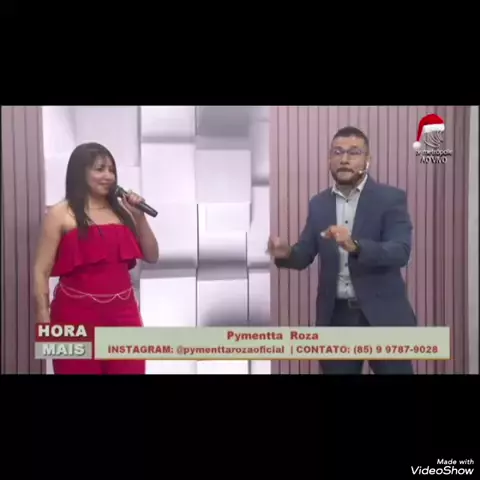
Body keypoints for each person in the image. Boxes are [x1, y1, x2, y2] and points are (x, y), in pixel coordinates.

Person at [267, 126, 416, 375]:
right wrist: (286, 253)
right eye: (337, 152)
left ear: (367, 160)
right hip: (336, 317)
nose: (344, 159)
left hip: (385, 316)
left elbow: (400, 251)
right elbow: (305, 254)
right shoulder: (319, 203)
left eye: (354, 152)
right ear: (329, 159)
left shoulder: (391, 199)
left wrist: (356, 246)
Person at [33, 142, 159, 375]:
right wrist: (43, 318)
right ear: (80, 172)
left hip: (124, 314)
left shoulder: (123, 212)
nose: (108, 176)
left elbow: (152, 256)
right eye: (100, 169)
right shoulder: (60, 213)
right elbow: (41, 270)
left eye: (111, 170)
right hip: (73, 316)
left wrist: (140, 217)